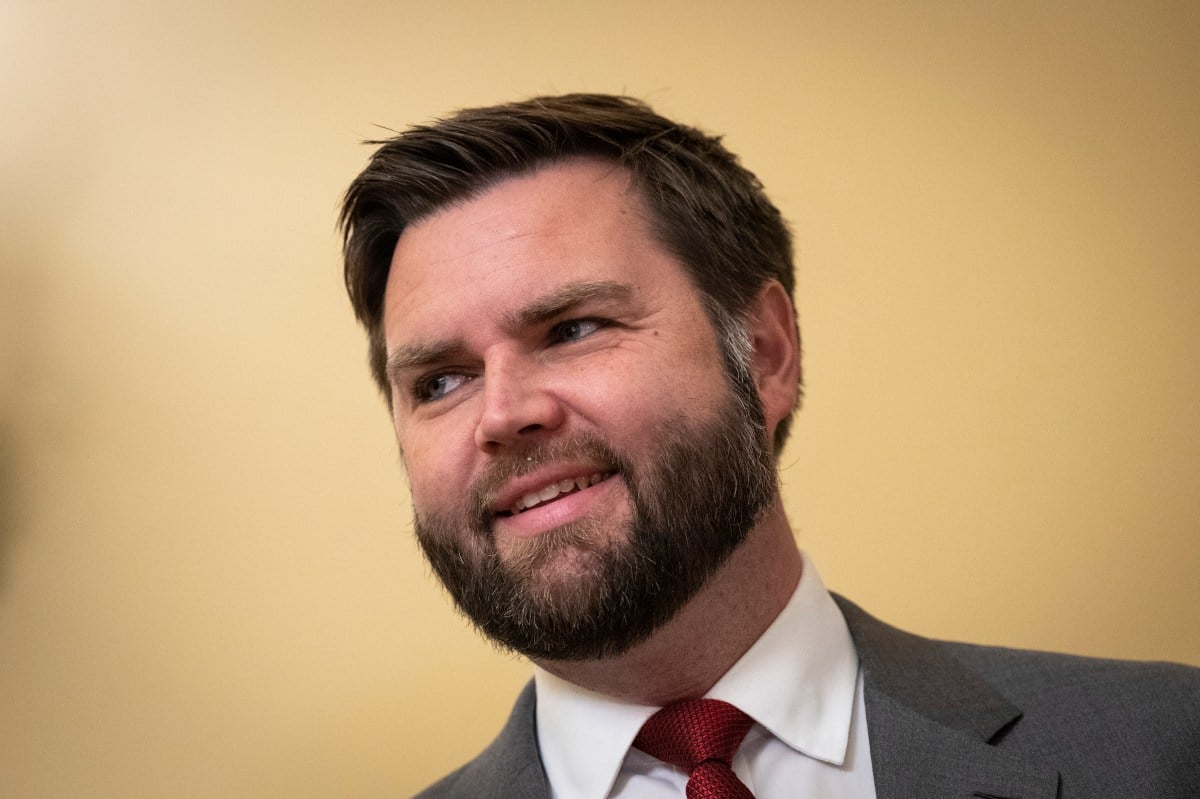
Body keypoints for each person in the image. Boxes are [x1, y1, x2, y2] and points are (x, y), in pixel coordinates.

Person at [338, 94, 1199, 799]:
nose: (500, 414)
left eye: (573, 327)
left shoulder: (1167, 747)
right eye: (439, 381)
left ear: (767, 354)